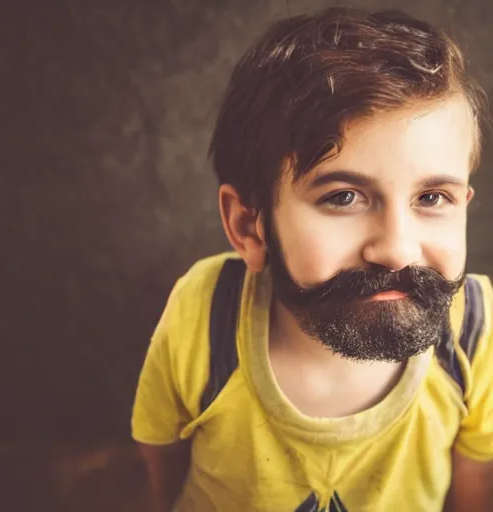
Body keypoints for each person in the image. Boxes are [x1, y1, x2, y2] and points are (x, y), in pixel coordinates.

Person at [132, 7, 493, 512]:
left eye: (431, 198)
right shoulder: (205, 312)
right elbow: (160, 464)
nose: (395, 249)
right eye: (343, 197)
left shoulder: (472, 331)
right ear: (247, 225)